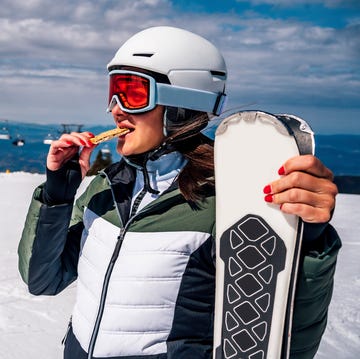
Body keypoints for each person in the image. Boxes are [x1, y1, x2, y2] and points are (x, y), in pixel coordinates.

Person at [18, 26, 341, 359]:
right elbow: (42, 279)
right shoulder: (104, 189)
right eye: (113, 91)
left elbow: (277, 338)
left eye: (131, 92)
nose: (115, 108)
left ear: (181, 104)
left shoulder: (226, 202)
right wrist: (58, 192)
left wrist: (306, 241)